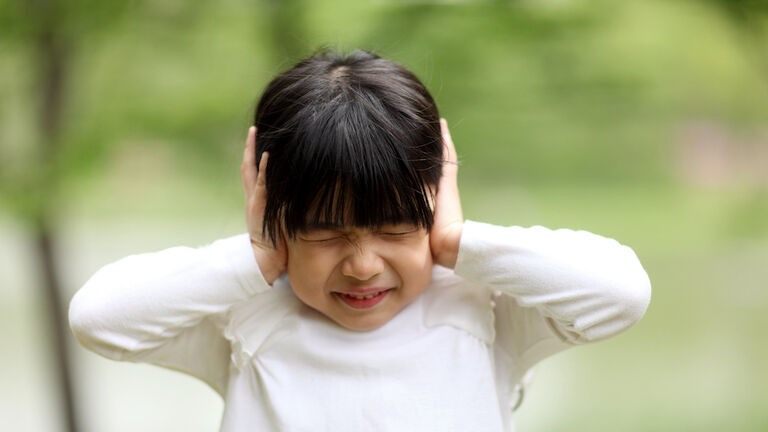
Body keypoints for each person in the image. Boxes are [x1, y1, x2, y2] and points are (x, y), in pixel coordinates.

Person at [69, 49, 652, 431]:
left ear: (436, 192)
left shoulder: (485, 311)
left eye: (395, 229)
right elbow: (101, 319)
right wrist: (257, 257)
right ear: (275, 210)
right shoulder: (245, 313)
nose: (363, 265)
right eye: (325, 234)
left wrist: (455, 240)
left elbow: (621, 293)